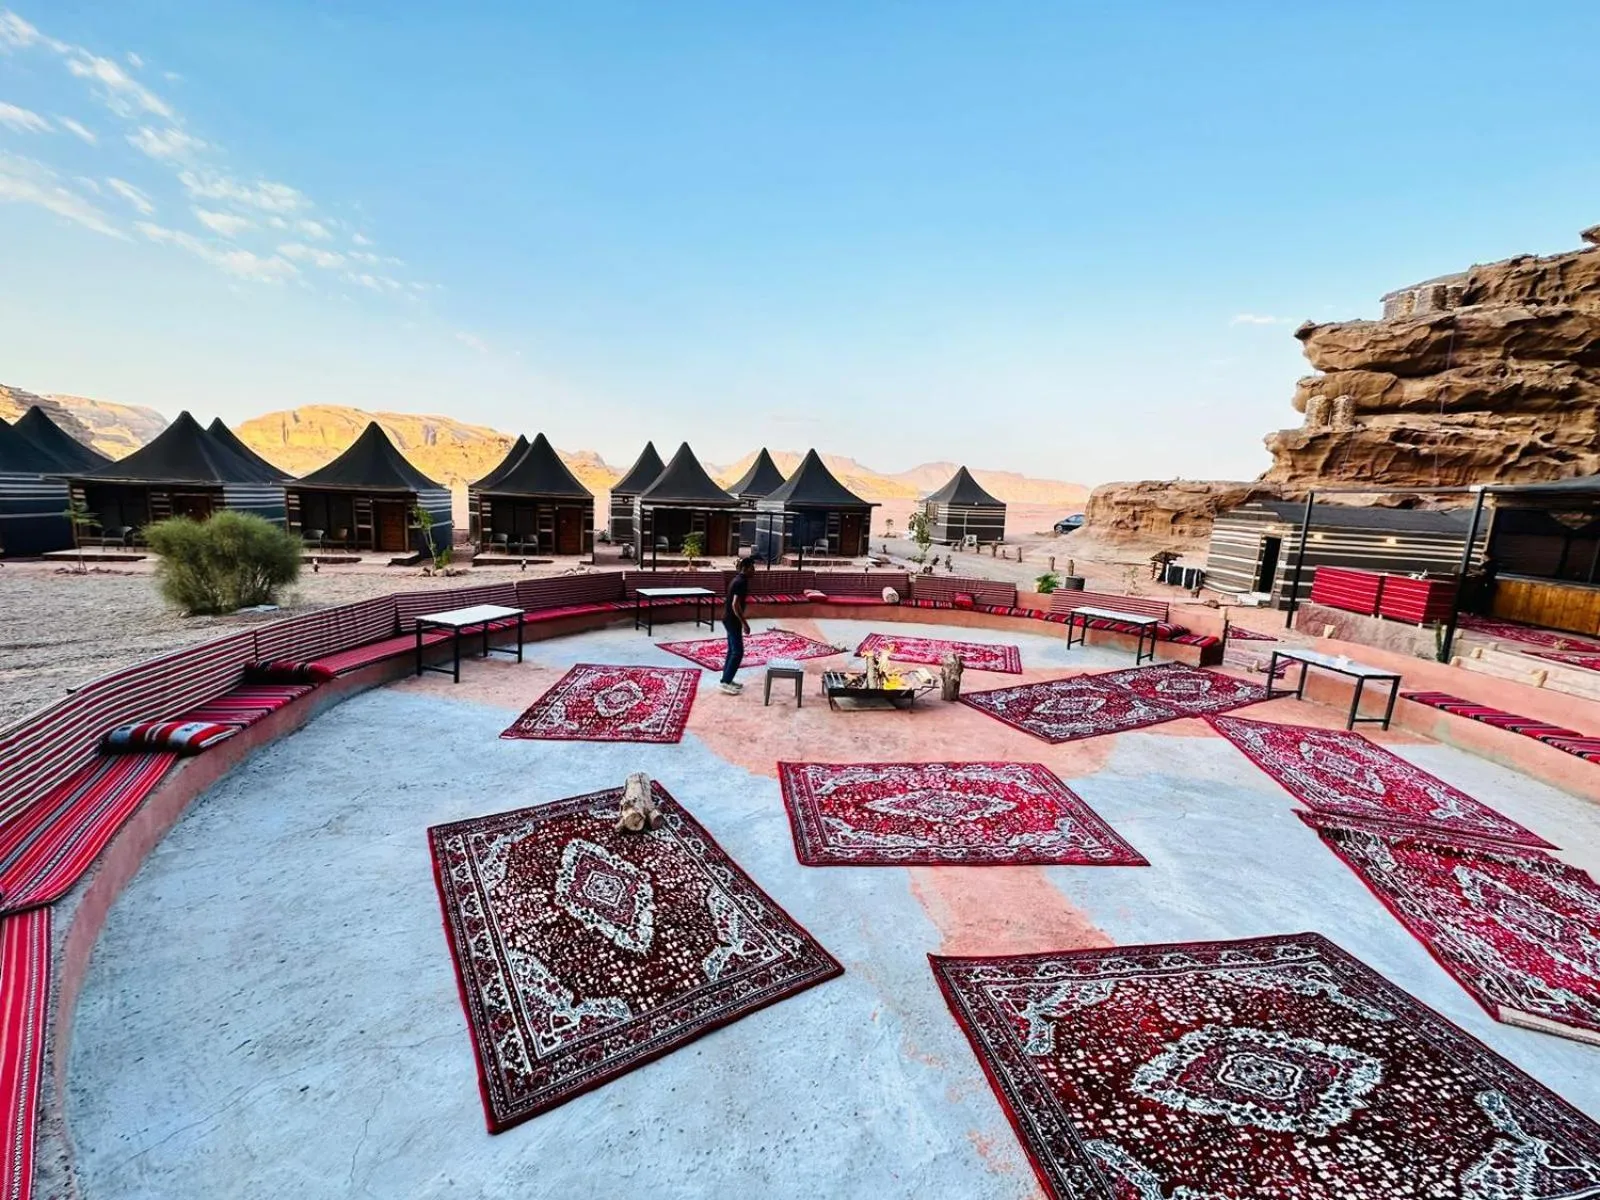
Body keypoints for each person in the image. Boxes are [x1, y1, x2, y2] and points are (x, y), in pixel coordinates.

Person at [719, 555, 755, 694]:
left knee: (731, 651)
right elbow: (735, 604)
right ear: (745, 568)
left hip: (728, 619)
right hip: (732, 620)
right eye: (752, 567)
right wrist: (744, 623)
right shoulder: (741, 582)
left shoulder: (738, 579)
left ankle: (726, 679)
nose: (754, 570)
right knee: (738, 652)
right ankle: (726, 682)